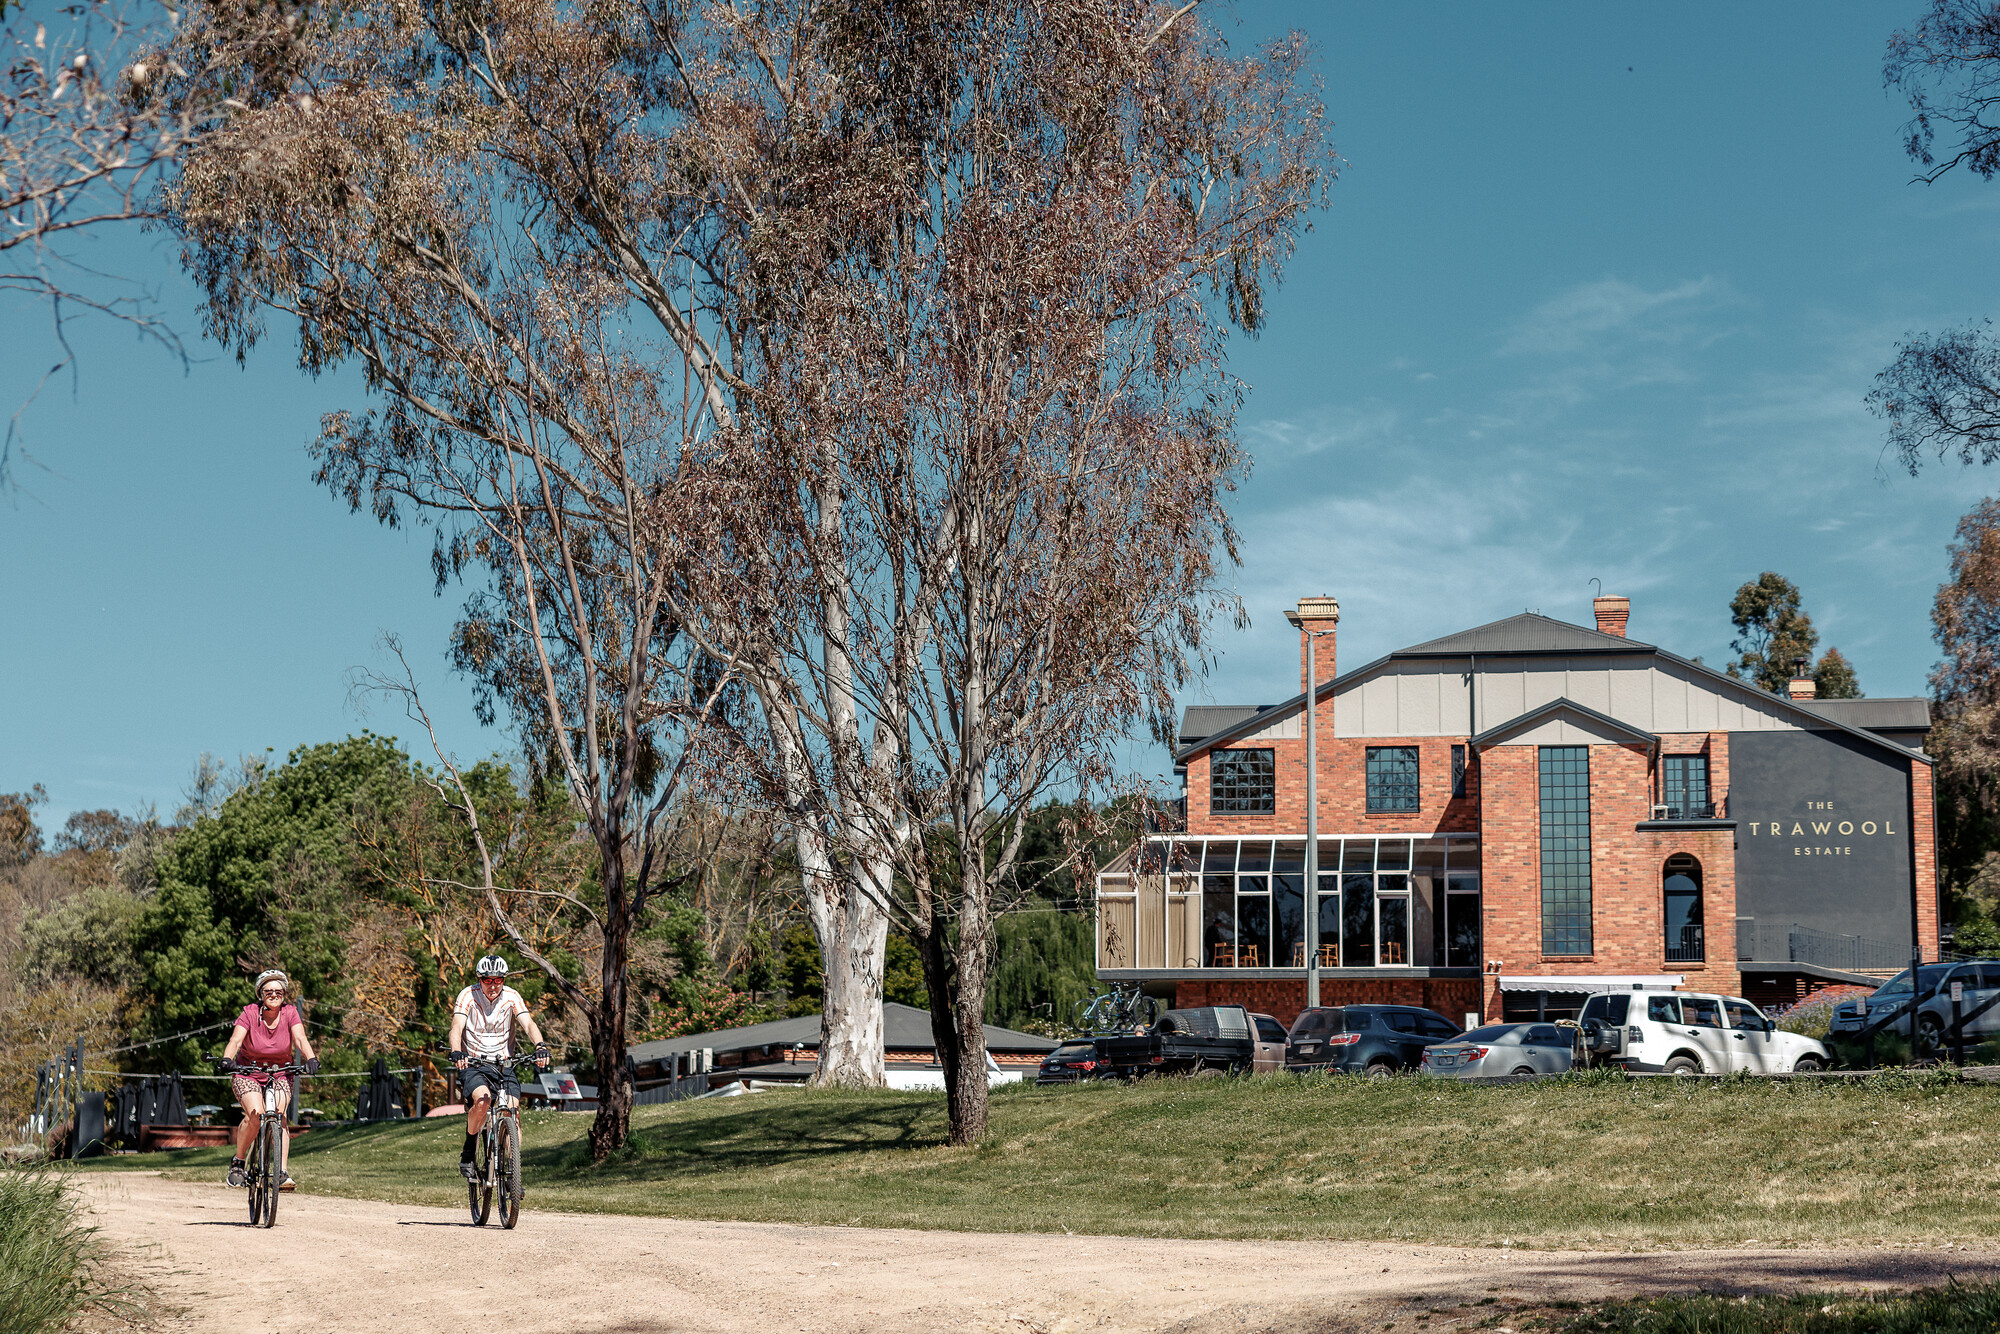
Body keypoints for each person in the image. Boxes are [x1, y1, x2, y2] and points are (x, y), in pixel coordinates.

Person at [449, 954, 549, 1181]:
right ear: (479, 979)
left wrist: (540, 1046)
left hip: (504, 1065)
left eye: (498, 980)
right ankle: (469, 1146)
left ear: (503, 980)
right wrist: (457, 1051)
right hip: (473, 1063)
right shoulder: (467, 995)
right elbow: (456, 1026)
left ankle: (513, 1174)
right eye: (487, 980)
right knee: (483, 1102)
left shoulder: (512, 996)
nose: (493, 986)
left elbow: (528, 1023)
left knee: (512, 1112)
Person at [220, 970, 318, 1190]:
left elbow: (300, 1038)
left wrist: (311, 1059)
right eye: (269, 991)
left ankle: (281, 1173)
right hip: (248, 1072)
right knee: (255, 1115)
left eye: (279, 991)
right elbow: (235, 1041)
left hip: (281, 1072)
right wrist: (227, 1059)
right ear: (260, 994)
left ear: (284, 994)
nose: (274, 995)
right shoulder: (249, 1012)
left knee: (280, 1117)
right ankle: (238, 1162)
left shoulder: (290, 1012)